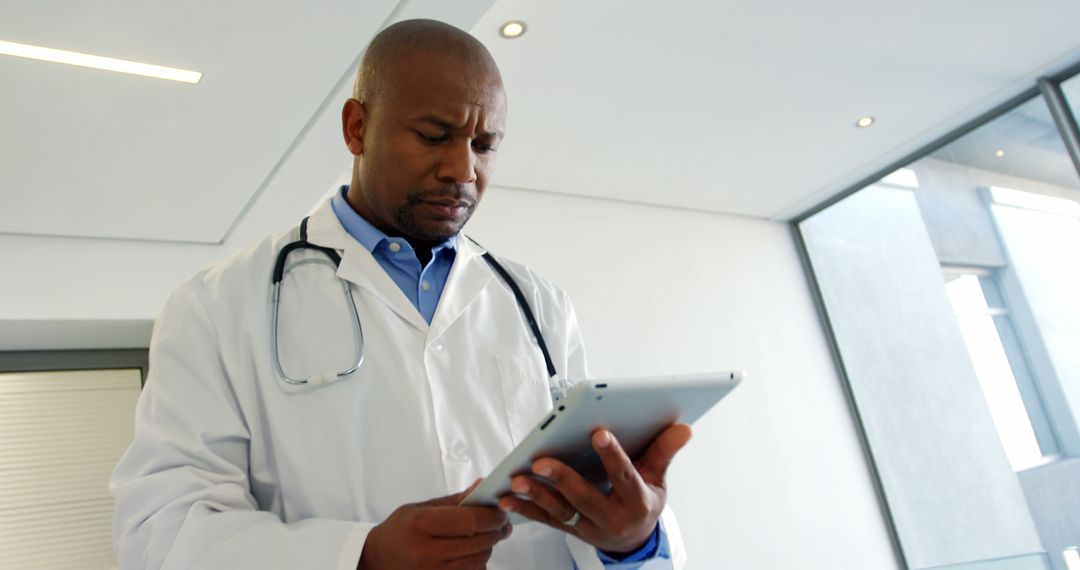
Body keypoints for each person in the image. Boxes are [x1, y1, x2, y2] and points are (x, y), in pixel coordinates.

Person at [111, 19, 691, 570]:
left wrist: (632, 542)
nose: (463, 170)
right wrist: (357, 556)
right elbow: (162, 531)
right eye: (434, 135)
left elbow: (588, 487)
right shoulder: (216, 306)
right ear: (356, 128)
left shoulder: (537, 303)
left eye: (485, 144)